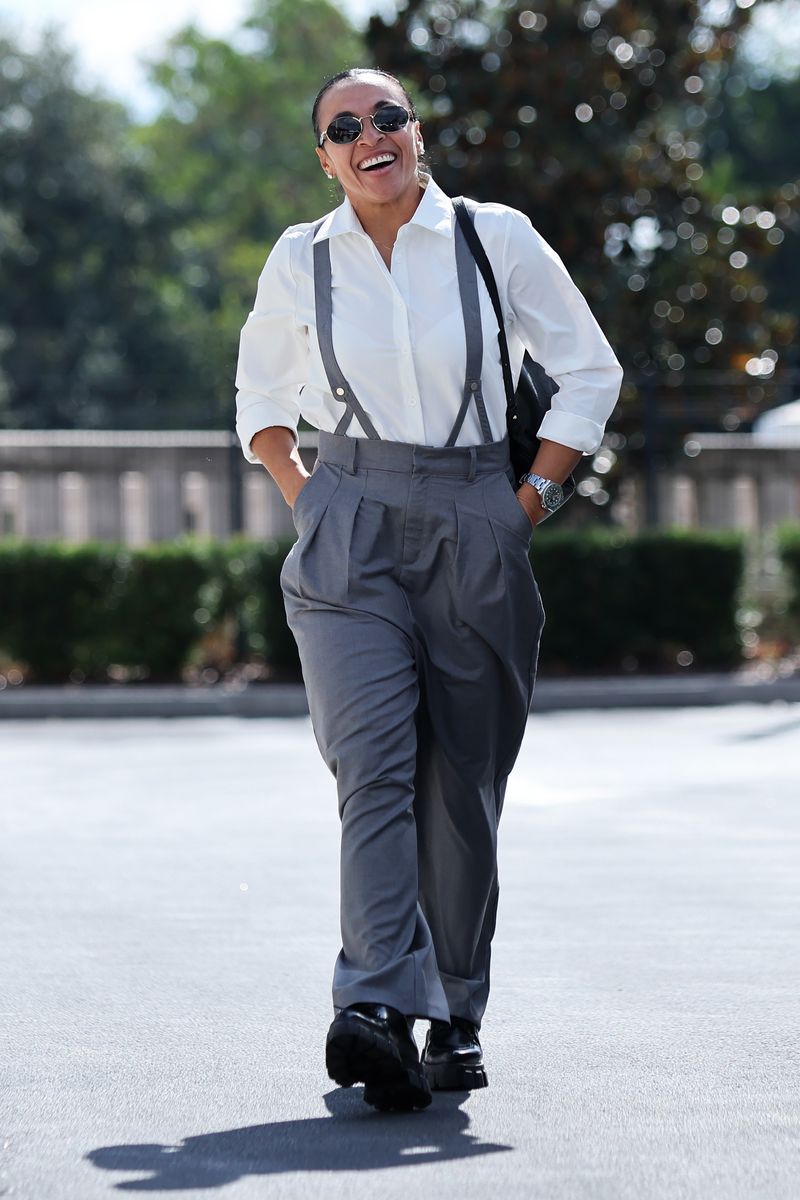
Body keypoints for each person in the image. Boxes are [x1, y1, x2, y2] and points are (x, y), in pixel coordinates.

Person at [235, 67, 623, 1112]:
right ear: (326, 157)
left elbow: (590, 372)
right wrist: (310, 500)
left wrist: (526, 504)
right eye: (345, 127)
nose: (371, 135)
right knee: (371, 766)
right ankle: (372, 1003)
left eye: (387, 117)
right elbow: (261, 401)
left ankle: (452, 1012)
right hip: (349, 522)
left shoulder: (494, 239)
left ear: (415, 132)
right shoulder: (301, 258)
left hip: (477, 514)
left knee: (461, 783)